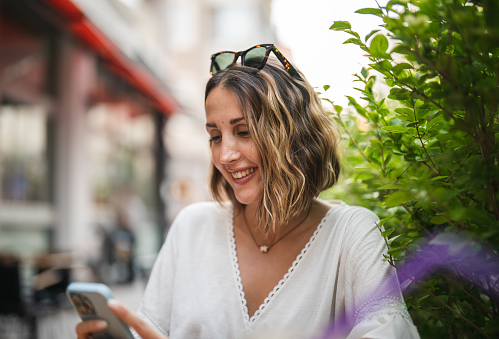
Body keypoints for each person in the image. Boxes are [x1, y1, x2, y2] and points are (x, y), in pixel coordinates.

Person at [75, 44, 420, 339]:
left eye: (244, 131)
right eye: (215, 136)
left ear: (293, 134)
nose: (225, 155)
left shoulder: (351, 235)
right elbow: (147, 329)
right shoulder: (191, 228)